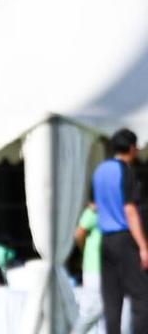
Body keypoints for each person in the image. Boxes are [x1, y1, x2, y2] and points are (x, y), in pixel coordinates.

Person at [91, 128, 148, 334]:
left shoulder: (99, 171)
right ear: (132, 148)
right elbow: (130, 209)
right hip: (125, 238)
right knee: (142, 296)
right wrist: (143, 247)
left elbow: (95, 205)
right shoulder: (125, 170)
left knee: (112, 299)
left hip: (105, 240)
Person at [69, 203, 104, 334]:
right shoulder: (94, 210)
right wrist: (86, 251)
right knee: (92, 310)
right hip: (94, 268)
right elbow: (79, 234)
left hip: (111, 268)